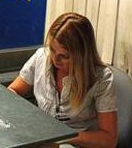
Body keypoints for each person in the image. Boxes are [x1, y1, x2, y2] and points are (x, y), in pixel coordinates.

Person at [8, 12, 117, 148]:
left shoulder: (101, 78)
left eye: (64, 56)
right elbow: (13, 91)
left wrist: (62, 136)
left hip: (77, 142)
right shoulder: (41, 57)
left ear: (82, 54)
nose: (55, 60)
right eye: (53, 50)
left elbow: (108, 140)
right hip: (43, 137)